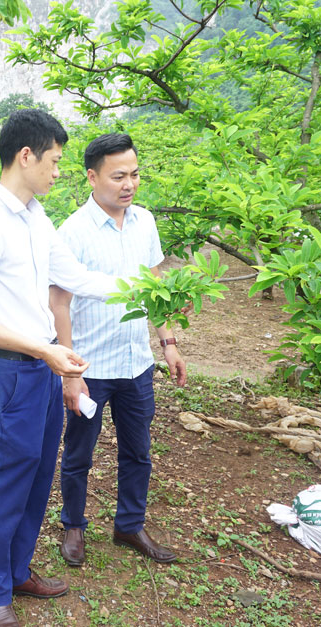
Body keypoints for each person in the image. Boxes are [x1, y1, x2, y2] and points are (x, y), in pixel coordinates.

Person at [0, 110, 118, 627]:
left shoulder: (35, 217)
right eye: (55, 161)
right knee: (6, 480)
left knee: (39, 475)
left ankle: (18, 570)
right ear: (26, 156)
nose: (58, 171)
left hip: (43, 369)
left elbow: (76, 276)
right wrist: (44, 351)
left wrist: (147, 291)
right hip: (12, 372)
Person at [49, 132, 187, 568]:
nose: (128, 184)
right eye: (118, 176)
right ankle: (73, 525)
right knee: (78, 453)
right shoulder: (73, 232)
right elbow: (59, 304)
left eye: (134, 174)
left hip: (135, 363)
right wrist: (71, 372)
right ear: (92, 177)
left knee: (138, 451)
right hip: (91, 365)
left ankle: (129, 524)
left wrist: (168, 343)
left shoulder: (144, 221)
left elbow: (153, 289)